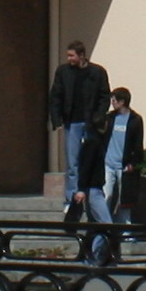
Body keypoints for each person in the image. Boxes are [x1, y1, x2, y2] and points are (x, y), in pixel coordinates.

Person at [76, 87, 145, 267]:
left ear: (122, 102)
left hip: (124, 165)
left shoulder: (135, 120)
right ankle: (100, 236)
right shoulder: (109, 118)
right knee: (106, 196)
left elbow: (138, 143)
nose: (112, 103)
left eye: (114, 100)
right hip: (107, 164)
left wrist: (133, 162)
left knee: (125, 200)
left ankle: (124, 231)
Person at [46, 41, 109, 222]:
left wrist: (98, 117)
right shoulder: (63, 72)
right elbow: (56, 95)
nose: (69, 59)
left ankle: (88, 194)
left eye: (72, 55)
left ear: (81, 55)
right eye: (68, 55)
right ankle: (71, 199)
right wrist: (56, 119)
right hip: (72, 122)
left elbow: (104, 96)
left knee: (89, 160)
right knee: (72, 163)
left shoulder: (97, 72)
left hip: (91, 124)